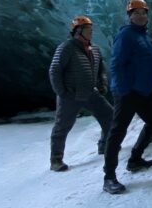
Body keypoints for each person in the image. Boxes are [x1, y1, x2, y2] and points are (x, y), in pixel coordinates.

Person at [102, 0, 152, 195]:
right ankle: (109, 177)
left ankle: (135, 158)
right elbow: (116, 64)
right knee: (118, 132)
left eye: (143, 12)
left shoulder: (146, 36)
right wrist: (123, 90)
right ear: (129, 16)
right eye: (136, 13)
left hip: (143, 92)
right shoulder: (126, 35)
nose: (141, 16)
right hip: (127, 93)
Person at [48, 16, 113, 172]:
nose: (91, 33)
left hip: (90, 93)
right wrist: (62, 92)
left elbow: (101, 70)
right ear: (78, 31)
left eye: (91, 30)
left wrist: (102, 83)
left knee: (109, 115)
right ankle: (56, 160)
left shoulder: (94, 49)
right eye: (88, 30)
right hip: (70, 95)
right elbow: (54, 70)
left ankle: (104, 145)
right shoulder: (66, 48)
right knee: (62, 126)